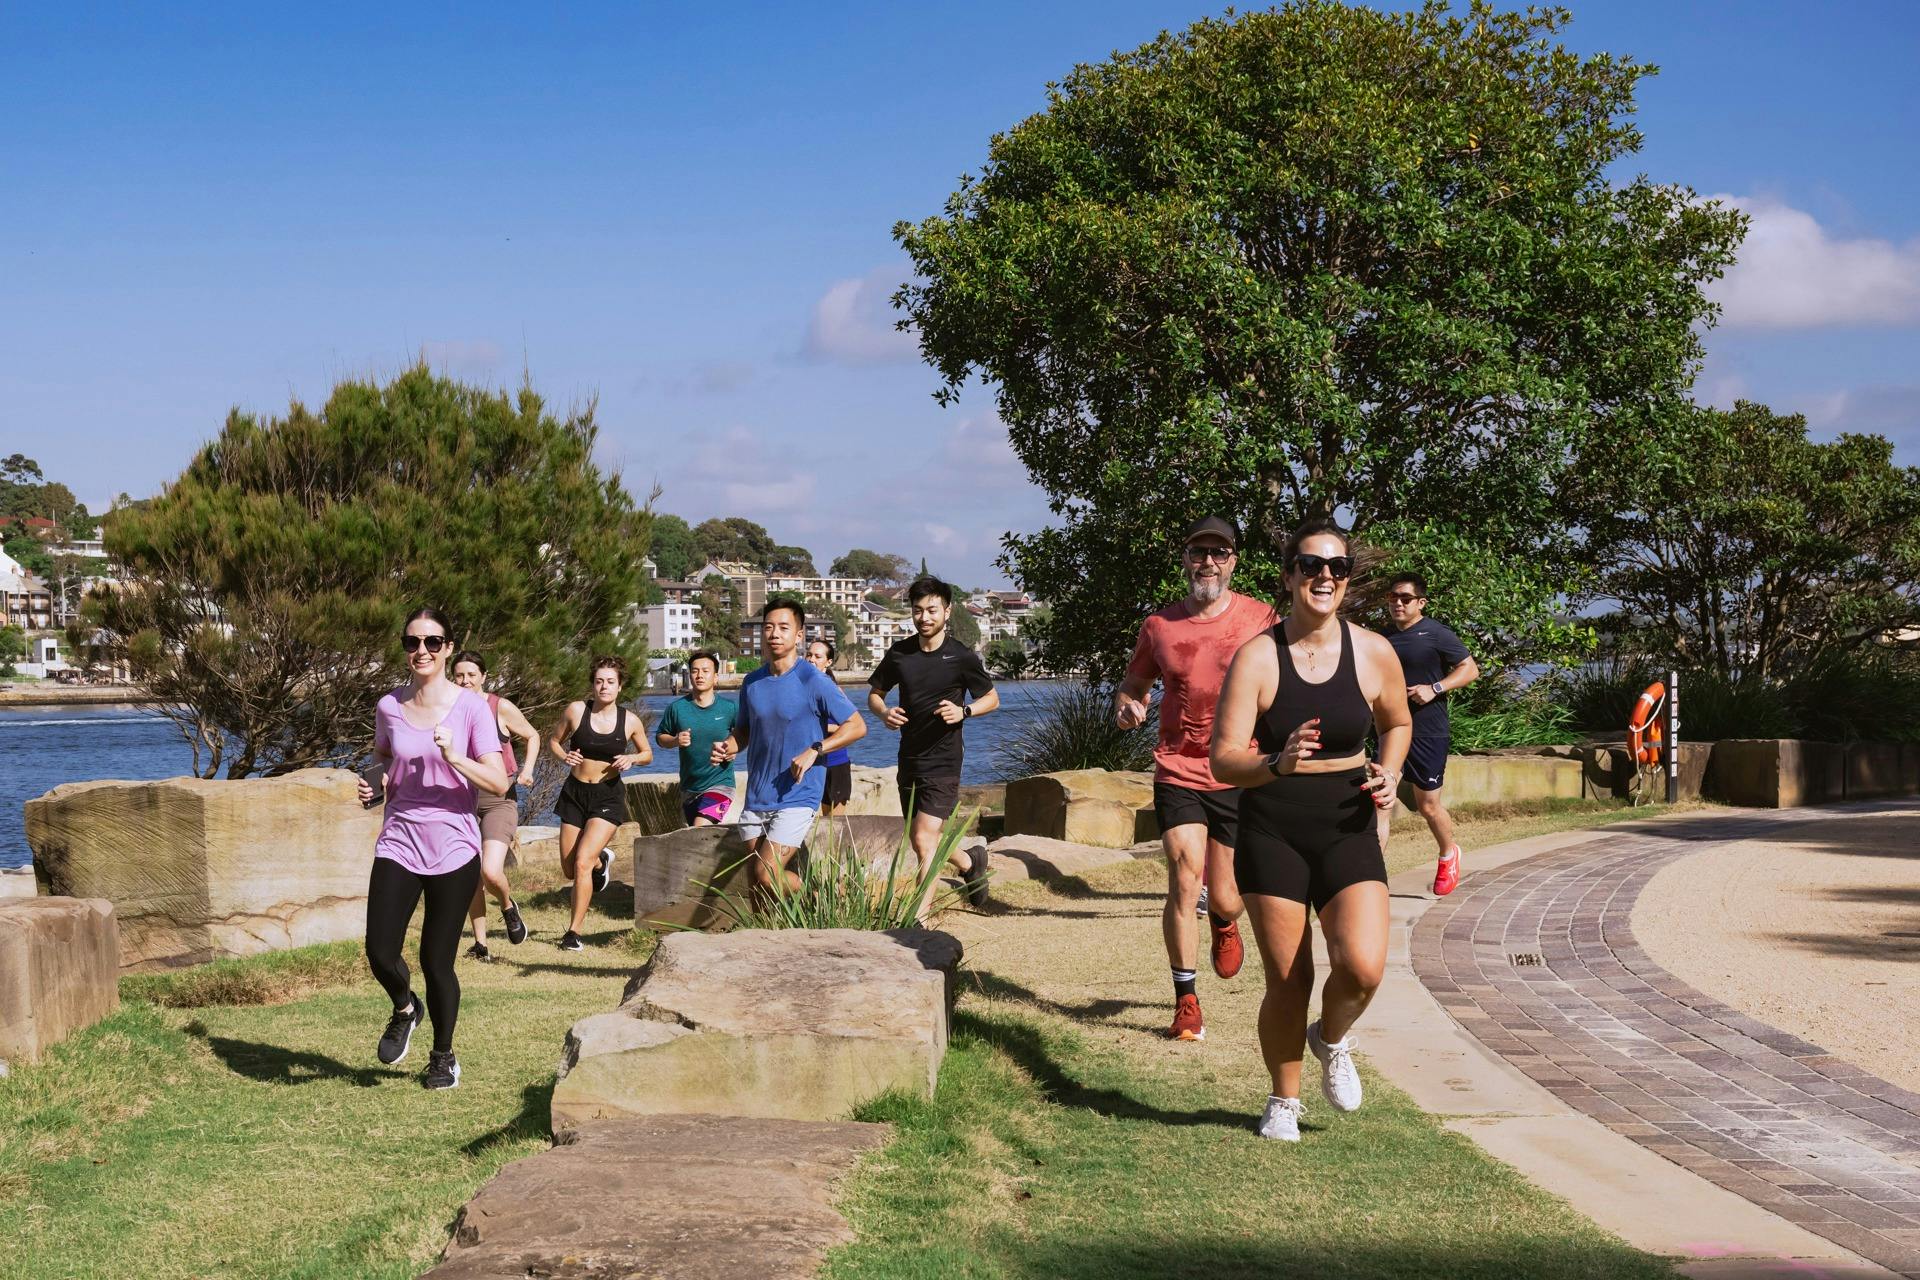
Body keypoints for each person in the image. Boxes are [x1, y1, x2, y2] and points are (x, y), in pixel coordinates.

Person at [1211, 521, 1412, 1142]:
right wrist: (1276, 762)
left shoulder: (1375, 651)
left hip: (1348, 819)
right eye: (1310, 565)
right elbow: (1222, 759)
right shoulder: (1258, 656)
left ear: (1347, 579)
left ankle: (1331, 1037)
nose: (1324, 577)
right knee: (1290, 977)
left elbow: (1398, 722)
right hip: (1274, 825)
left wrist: (1391, 776)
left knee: (1364, 967)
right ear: (1289, 574)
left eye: (1337, 568)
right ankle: (1283, 1101)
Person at [1114, 516, 1275, 1043]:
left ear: (1234, 561)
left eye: (1219, 552)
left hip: (1238, 769)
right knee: (1185, 875)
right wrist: (1128, 703)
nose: (1209, 561)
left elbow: (1286, 679)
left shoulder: (1262, 618)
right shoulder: (1159, 626)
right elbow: (1135, 681)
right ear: (1185, 559)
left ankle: (1225, 920)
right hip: (1177, 769)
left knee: (1226, 895)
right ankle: (1186, 1000)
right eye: (1199, 551)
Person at [356, 608, 510, 1090]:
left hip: (454, 845)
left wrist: (455, 757)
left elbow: (499, 782)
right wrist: (376, 782)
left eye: (432, 642)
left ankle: (443, 1056)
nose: (421, 651)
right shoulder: (389, 706)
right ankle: (405, 1007)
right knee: (379, 949)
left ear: (447, 647)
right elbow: (383, 758)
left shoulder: (470, 708)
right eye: (412, 642)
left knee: (434, 960)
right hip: (399, 838)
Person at [710, 599, 867, 900]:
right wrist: (728, 746)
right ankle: (768, 938)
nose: (774, 634)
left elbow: (857, 725)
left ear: (798, 635)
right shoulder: (752, 682)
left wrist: (817, 749)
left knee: (766, 874)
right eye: (768, 627)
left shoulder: (814, 680)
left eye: (783, 627)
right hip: (757, 794)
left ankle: (818, 894)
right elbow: (744, 731)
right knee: (759, 886)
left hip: (798, 794)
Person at [868, 576, 997, 915]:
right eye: (918, 610)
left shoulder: (961, 656)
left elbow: (992, 699)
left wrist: (963, 710)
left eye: (931, 610)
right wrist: (884, 713)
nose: (924, 617)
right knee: (920, 836)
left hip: (944, 758)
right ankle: (970, 863)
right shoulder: (900, 654)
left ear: (947, 611)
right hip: (909, 756)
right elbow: (875, 695)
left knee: (925, 837)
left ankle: (919, 921)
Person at [1379, 572, 1480, 896]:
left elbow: (1470, 669)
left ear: (1420, 602)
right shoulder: (1381, 638)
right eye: (1393, 597)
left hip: (1428, 731)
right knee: (1381, 801)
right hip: (1390, 730)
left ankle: (1448, 853)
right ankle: (1372, 879)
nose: (1397, 603)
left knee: (1428, 806)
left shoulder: (1436, 633)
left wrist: (1434, 688)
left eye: (1405, 598)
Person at [548, 656, 652, 952]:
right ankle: (600, 861)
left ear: (620, 687)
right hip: (574, 793)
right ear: (592, 684)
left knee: (581, 864)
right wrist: (562, 756)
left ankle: (573, 933)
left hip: (607, 795)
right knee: (570, 868)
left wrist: (632, 758)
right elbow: (554, 741)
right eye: (599, 681)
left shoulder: (629, 720)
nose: (604, 686)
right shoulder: (576, 711)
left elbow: (647, 753)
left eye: (610, 682)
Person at [450, 652, 540, 958]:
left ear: (483, 676)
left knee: (490, 871)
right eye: (459, 675)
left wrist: (527, 770)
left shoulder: (498, 706)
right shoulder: (449, 708)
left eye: (471, 675)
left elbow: (532, 735)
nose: (465, 681)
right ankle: (481, 944)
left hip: (498, 800)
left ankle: (506, 905)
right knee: (468, 875)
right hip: (460, 799)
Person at [654, 650, 738, 827]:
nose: (700, 675)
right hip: (689, 788)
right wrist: (675, 740)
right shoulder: (677, 708)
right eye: (695, 670)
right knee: (696, 839)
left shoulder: (729, 708)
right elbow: (661, 738)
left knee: (700, 827)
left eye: (705, 671)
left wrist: (732, 749)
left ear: (715, 677)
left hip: (722, 786)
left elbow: (744, 735)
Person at [807, 638, 854, 818]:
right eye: (809, 655)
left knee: (834, 823)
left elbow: (851, 727)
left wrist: (819, 726)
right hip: (810, 762)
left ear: (828, 662)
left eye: (817, 656)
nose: (811, 659)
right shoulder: (803, 689)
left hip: (834, 763)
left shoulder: (835, 691)